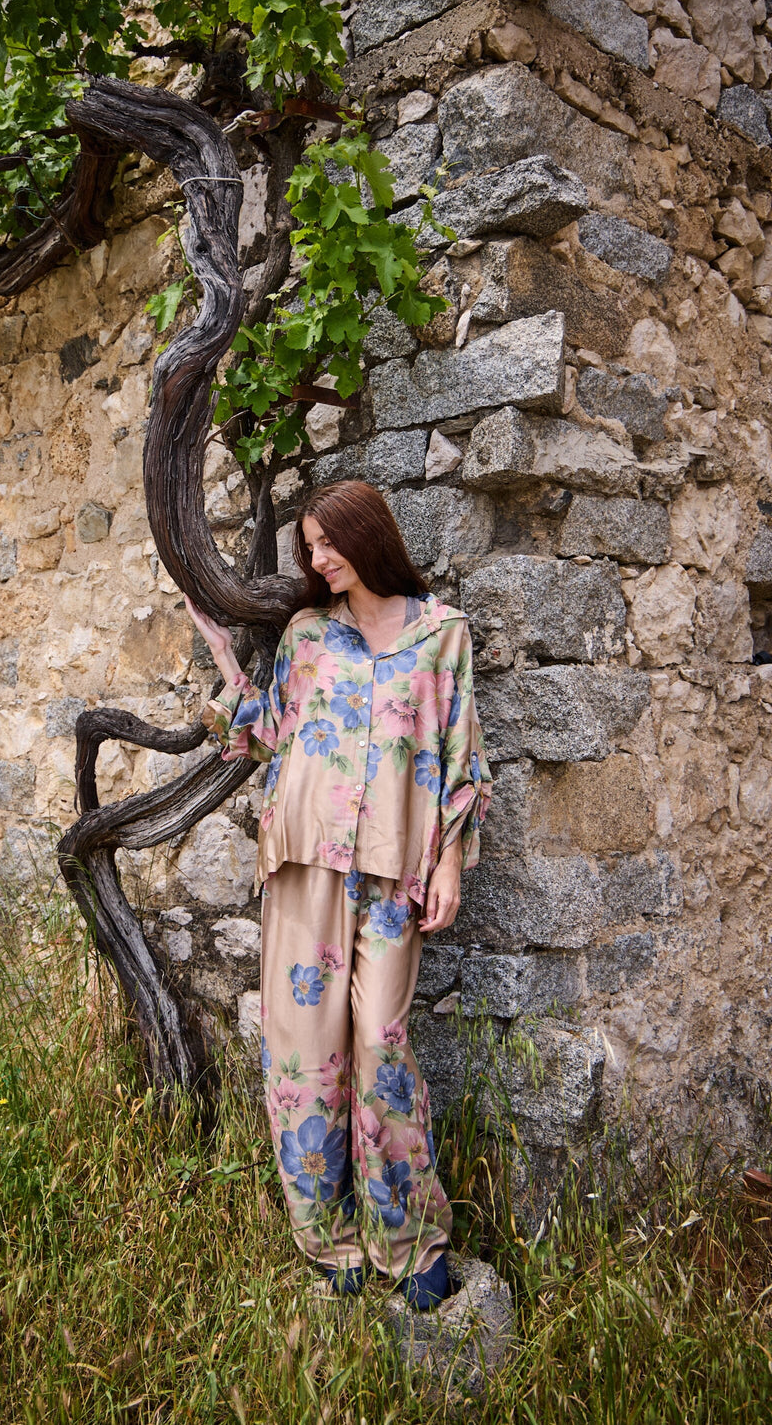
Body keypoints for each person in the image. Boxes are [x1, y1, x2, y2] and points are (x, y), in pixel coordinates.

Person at [187, 479, 491, 1308]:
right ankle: (331, 1240)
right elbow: (273, 733)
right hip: (303, 861)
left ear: (369, 535)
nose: (319, 559)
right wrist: (225, 663)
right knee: (304, 1051)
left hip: (395, 871)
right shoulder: (308, 633)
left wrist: (450, 863)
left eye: (329, 542)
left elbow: (461, 759)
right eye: (310, 547)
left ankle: (411, 1239)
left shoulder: (442, 634)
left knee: (381, 1043)